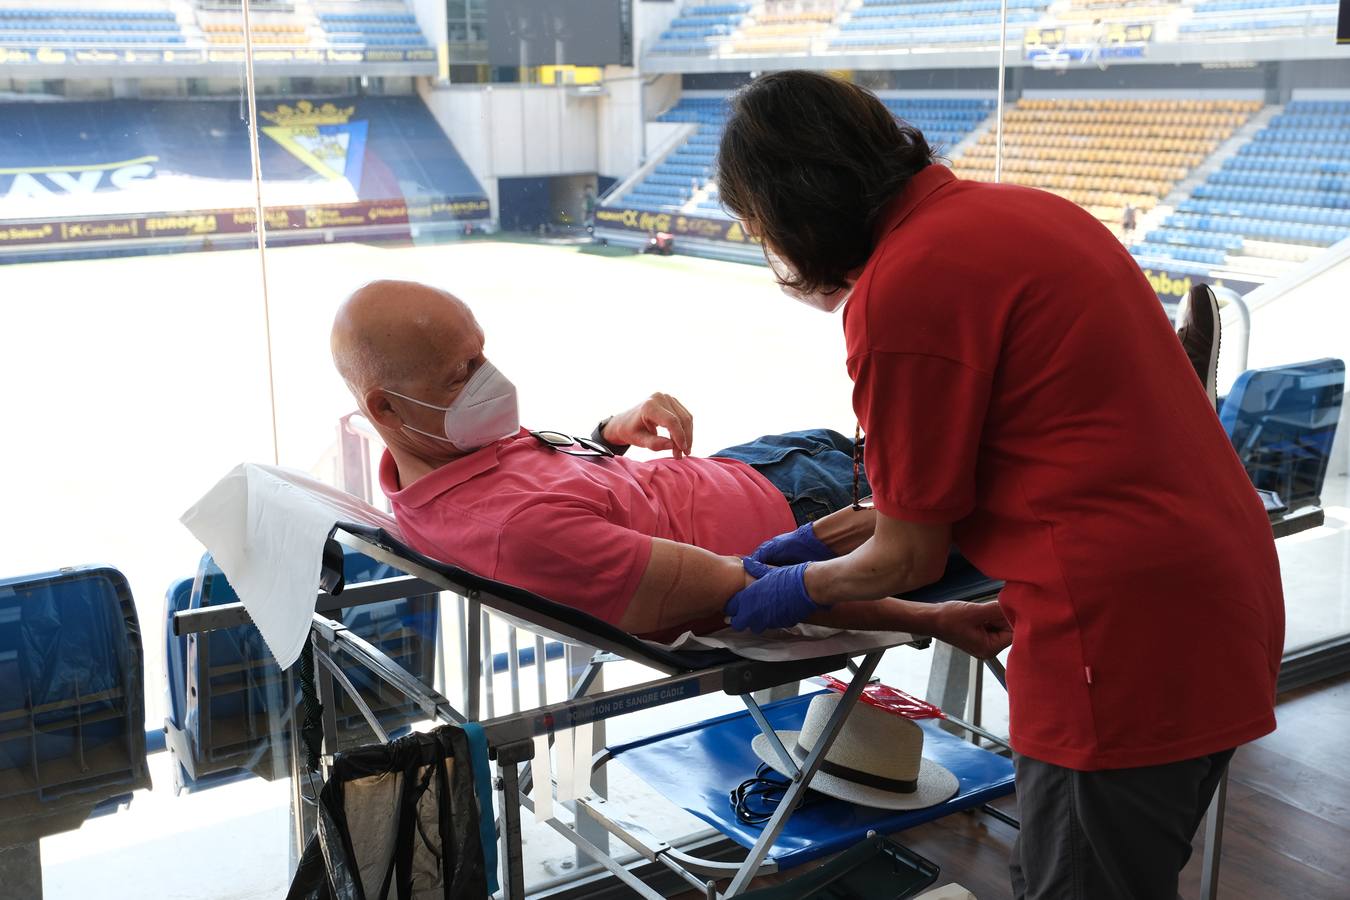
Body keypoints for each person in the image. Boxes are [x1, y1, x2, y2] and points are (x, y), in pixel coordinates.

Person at [714, 71, 1282, 900]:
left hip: (1122, 639)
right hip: (1218, 601)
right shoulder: (1024, 212)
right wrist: (827, 547)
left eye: (756, 226)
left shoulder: (905, 286)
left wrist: (785, 590)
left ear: (793, 208)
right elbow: (1017, 461)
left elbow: (906, 551)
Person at [328, 279, 1006, 646]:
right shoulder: (514, 535)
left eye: (483, 353)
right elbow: (760, 586)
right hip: (806, 511)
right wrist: (929, 622)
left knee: (969, 440)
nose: (492, 380)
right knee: (1015, 474)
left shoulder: (434, 456)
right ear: (385, 410)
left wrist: (608, 433)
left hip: (759, 465)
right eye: (462, 372)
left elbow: (551, 483)